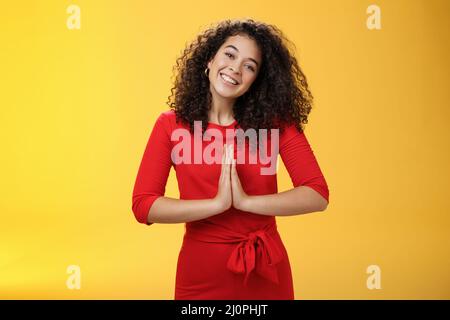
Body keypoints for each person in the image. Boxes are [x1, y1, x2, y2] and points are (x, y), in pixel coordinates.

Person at [132, 18, 329, 300]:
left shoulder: (277, 125)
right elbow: (144, 205)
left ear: (256, 80)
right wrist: (216, 205)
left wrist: (246, 202)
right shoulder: (170, 126)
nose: (235, 69)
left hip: (267, 271)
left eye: (250, 66)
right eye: (229, 54)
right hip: (201, 274)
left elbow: (317, 194)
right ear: (209, 60)